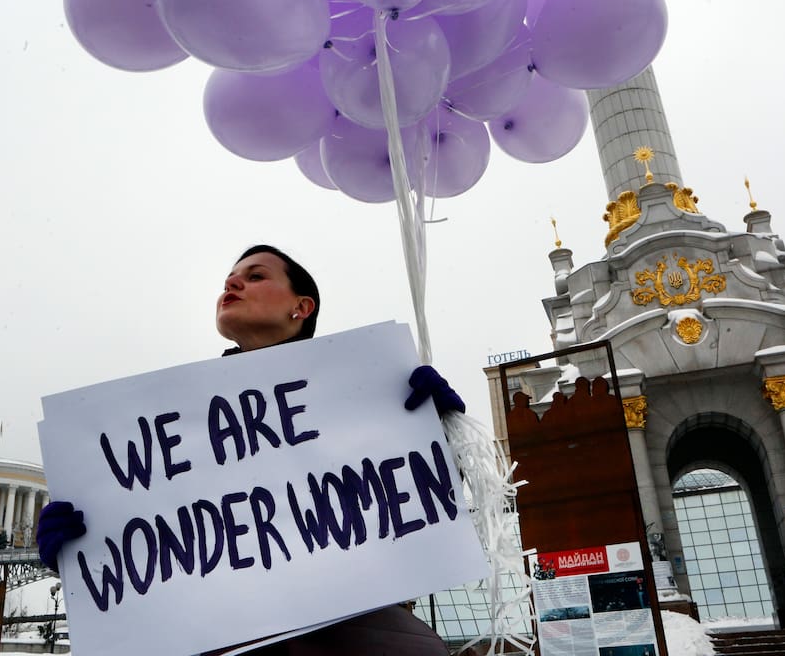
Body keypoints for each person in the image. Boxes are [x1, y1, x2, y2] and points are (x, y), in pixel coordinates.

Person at [36, 245, 465, 654]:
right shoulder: (183, 428)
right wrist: (81, 552)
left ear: (302, 306)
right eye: (229, 279)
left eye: (255, 276)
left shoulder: (368, 399)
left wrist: (443, 436)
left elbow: (415, 507)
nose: (234, 284)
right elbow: (166, 552)